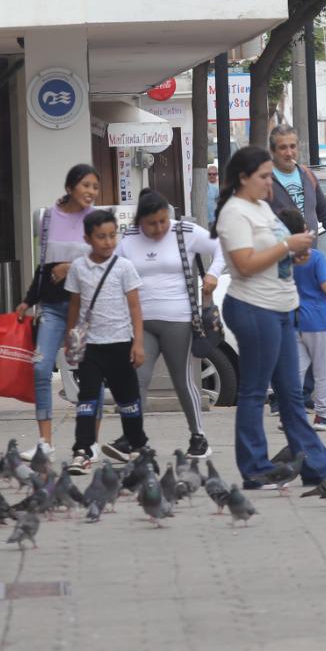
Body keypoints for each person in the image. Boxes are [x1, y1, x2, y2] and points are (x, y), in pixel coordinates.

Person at [216, 145, 326, 486]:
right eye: (264, 177)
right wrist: (287, 247)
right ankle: (255, 467)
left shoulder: (262, 208)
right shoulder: (235, 212)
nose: (270, 183)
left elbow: (273, 252)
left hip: (282, 307)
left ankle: (315, 466)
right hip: (255, 308)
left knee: (291, 394)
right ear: (243, 178)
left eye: (271, 176)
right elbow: (243, 264)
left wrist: (294, 254)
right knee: (255, 391)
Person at [117, 188, 224, 460]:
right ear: (140, 220)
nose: (158, 228)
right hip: (141, 322)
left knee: (182, 379)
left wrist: (212, 274)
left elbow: (220, 246)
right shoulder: (128, 239)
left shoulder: (184, 231)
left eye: (163, 220)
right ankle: (133, 438)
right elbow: (114, 269)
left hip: (178, 318)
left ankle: (198, 437)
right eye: (152, 223)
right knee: (137, 379)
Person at [14, 164, 101, 460]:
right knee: (40, 368)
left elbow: (105, 262)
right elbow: (44, 264)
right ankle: (45, 442)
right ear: (70, 187)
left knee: (90, 374)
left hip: (86, 309)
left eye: (94, 187)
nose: (91, 192)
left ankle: (91, 442)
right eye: (85, 185)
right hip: (51, 307)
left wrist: (70, 267)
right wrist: (28, 300)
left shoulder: (97, 220)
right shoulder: (49, 217)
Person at [65, 209, 151, 474]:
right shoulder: (78, 268)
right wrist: (70, 339)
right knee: (88, 400)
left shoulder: (124, 267)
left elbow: (136, 308)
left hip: (121, 344)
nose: (108, 242)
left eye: (112, 236)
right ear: (87, 238)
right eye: (101, 237)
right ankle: (83, 450)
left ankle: (138, 446)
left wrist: (138, 343)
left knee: (128, 400)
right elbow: (74, 307)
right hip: (91, 348)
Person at [279, 206, 326, 431]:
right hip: (317, 319)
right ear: (305, 230)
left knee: (296, 369)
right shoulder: (316, 258)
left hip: (294, 319)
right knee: (323, 369)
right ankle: (322, 415)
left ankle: (289, 415)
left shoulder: (284, 259)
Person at [266, 124, 326, 256]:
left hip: (309, 259)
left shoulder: (308, 175)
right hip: (278, 264)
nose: (289, 153)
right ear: (272, 150)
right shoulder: (264, 179)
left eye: (292, 146)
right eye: (283, 148)